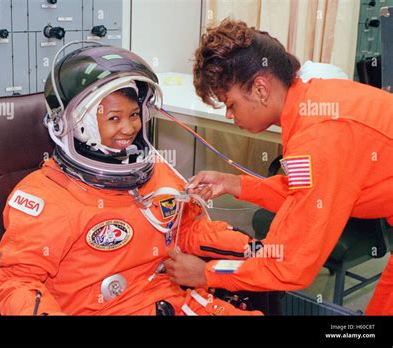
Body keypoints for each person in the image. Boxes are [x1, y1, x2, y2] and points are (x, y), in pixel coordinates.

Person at [0, 43, 263, 316]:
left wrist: (258, 250)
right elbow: (18, 284)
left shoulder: (157, 173)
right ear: (76, 123)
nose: (129, 127)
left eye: (134, 115)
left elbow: (189, 230)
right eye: (114, 118)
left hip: (183, 302)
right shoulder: (46, 197)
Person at [164, 19, 393, 315]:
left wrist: (207, 273)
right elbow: (302, 195)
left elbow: (290, 266)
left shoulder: (318, 136)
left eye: (230, 104)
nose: (231, 116)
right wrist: (233, 184)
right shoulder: (310, 103)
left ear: (260, 89)